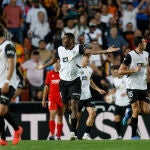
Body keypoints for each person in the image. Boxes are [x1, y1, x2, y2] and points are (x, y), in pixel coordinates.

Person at [37, 33, 119, 140]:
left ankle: (73, 134)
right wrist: (43, 66)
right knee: (66, 108)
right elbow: (54, 60)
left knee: (74, 105)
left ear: (71, 40)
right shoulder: (60, 49)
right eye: (63, 38)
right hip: (63, 82)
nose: (63, 40)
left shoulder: (78, 48)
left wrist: (105, 51)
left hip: (75, 82)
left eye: (65, 38)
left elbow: (91, 51)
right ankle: (72, 118)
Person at [118, 36, 150, 139]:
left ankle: (129, 111)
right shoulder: (130, 56)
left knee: (146, 110)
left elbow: (147, 65)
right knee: (136, 109)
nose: (146, 44)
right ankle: (134, 135)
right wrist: (133, 70)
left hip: (143, 86)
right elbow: (120, 71)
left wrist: (148, 74)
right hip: (132, 85)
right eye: (144, 42)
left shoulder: (146, 54)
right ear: (139, 44)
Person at [0, 26, 23, 145]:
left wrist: (6, 82)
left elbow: (12, 66)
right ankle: (3, 138)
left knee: (1, 111)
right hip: (0, 82)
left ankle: (17, 129)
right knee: (1, 111)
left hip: (8, 83)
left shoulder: (8, 46)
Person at [77, 54, 106, 140]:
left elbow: (90, 81)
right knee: (77, 117)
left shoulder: (89, 69)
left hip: (88, 96)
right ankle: (74, 134)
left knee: (93, 113)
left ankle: (86, 134)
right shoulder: (76, 69)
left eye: (89, 58)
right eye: (86, 57)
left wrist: (98, 89)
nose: (88, 59)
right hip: (78, 97)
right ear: (81, 58)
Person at [106, 65, 130, 139]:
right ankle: (119, 135)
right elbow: (115, 89)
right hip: (118, 103)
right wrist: (109, 94)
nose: (115, 73)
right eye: (114, 72)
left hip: (127, 103)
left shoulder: (127, 79)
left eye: (116, 72)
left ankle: (135, 132)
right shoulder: (115, 80)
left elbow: (132, 89)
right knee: (116, 119)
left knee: (129, 121)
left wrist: (126, 93)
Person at [42, 60, 64, 140]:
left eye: (58, 63)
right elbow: (46, 87)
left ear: (60, 64)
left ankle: (58, 136)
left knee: (60, 118)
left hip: (62, 99)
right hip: (52, 99)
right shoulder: (49, 74)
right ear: (53, 65)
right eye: (55, 63)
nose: (56, 64)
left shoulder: (64, 74)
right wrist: (43, 99)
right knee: (52, 115)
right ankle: (52, 135)